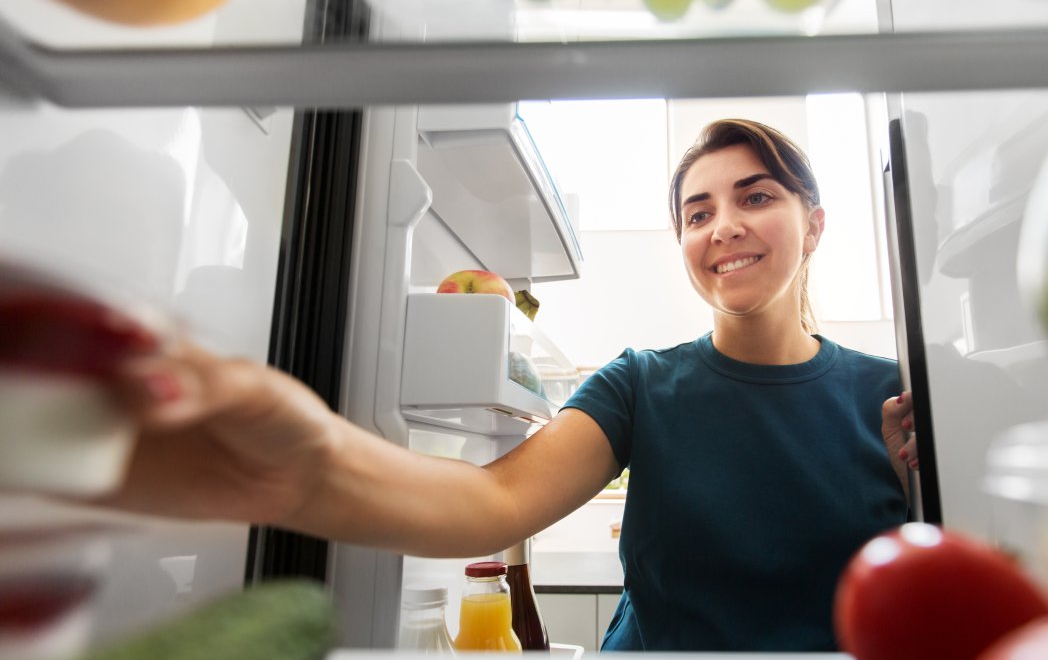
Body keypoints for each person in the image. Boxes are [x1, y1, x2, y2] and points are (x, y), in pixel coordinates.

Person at [100, 118, 919, 652]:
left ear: (813, 224)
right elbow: (488, 505)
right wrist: (304, 461)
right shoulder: (639, 383)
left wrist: (925, 492)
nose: (723, 227)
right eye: (697, 212)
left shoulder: (890, 396)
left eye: (756, 196)